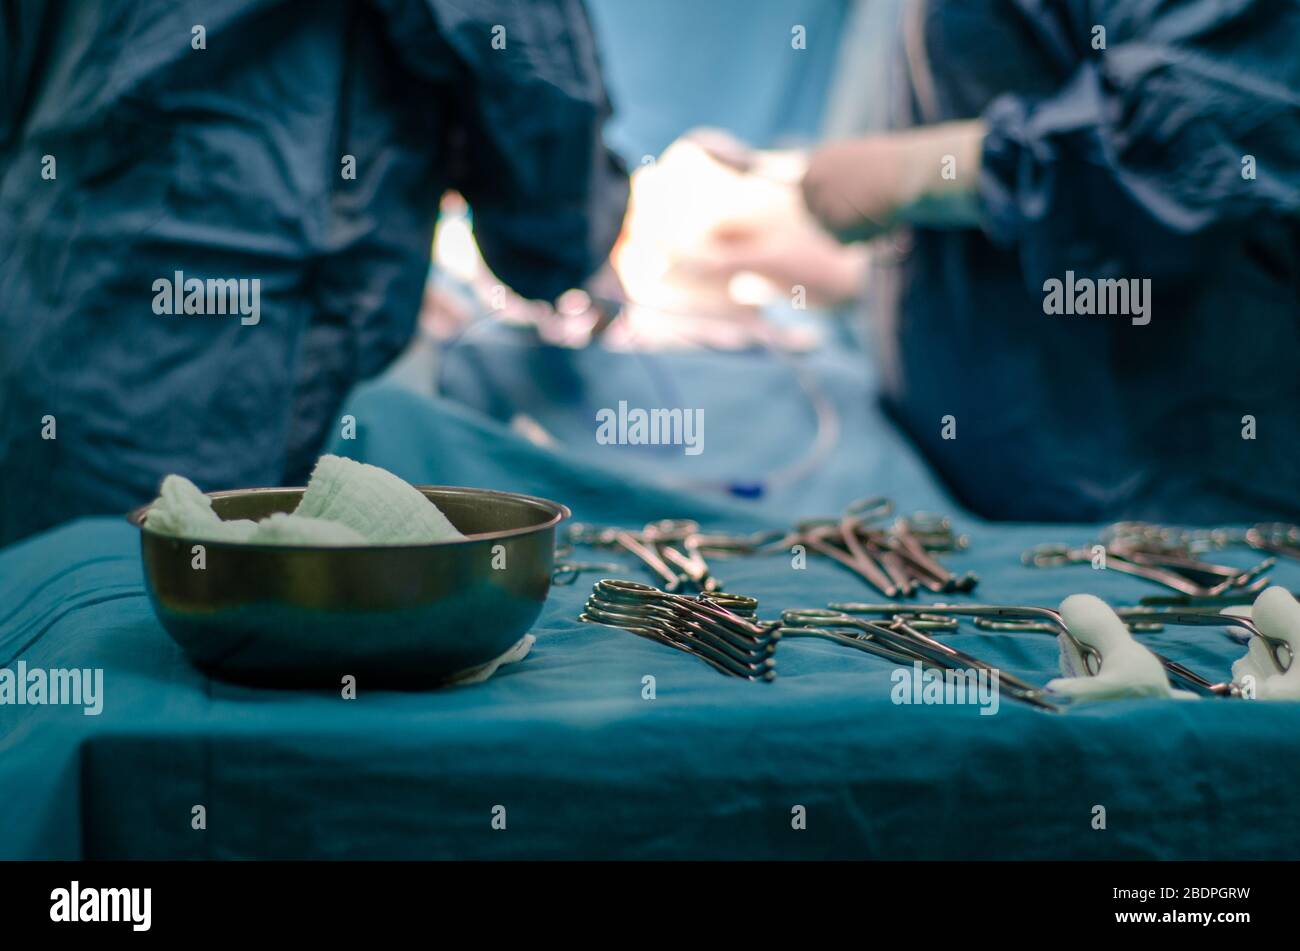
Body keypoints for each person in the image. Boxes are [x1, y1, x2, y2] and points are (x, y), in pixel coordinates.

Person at [0, 0, 628, 545]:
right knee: (215, 626)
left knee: (59, 628)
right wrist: (565, 246)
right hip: (226, 367)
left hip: (45, 296)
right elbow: (528, 76)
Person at [798, 0, 1300, 522]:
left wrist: (939, 170)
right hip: (993, 489)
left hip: (1164, 493)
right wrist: (874, 271)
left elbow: (1213, 129)